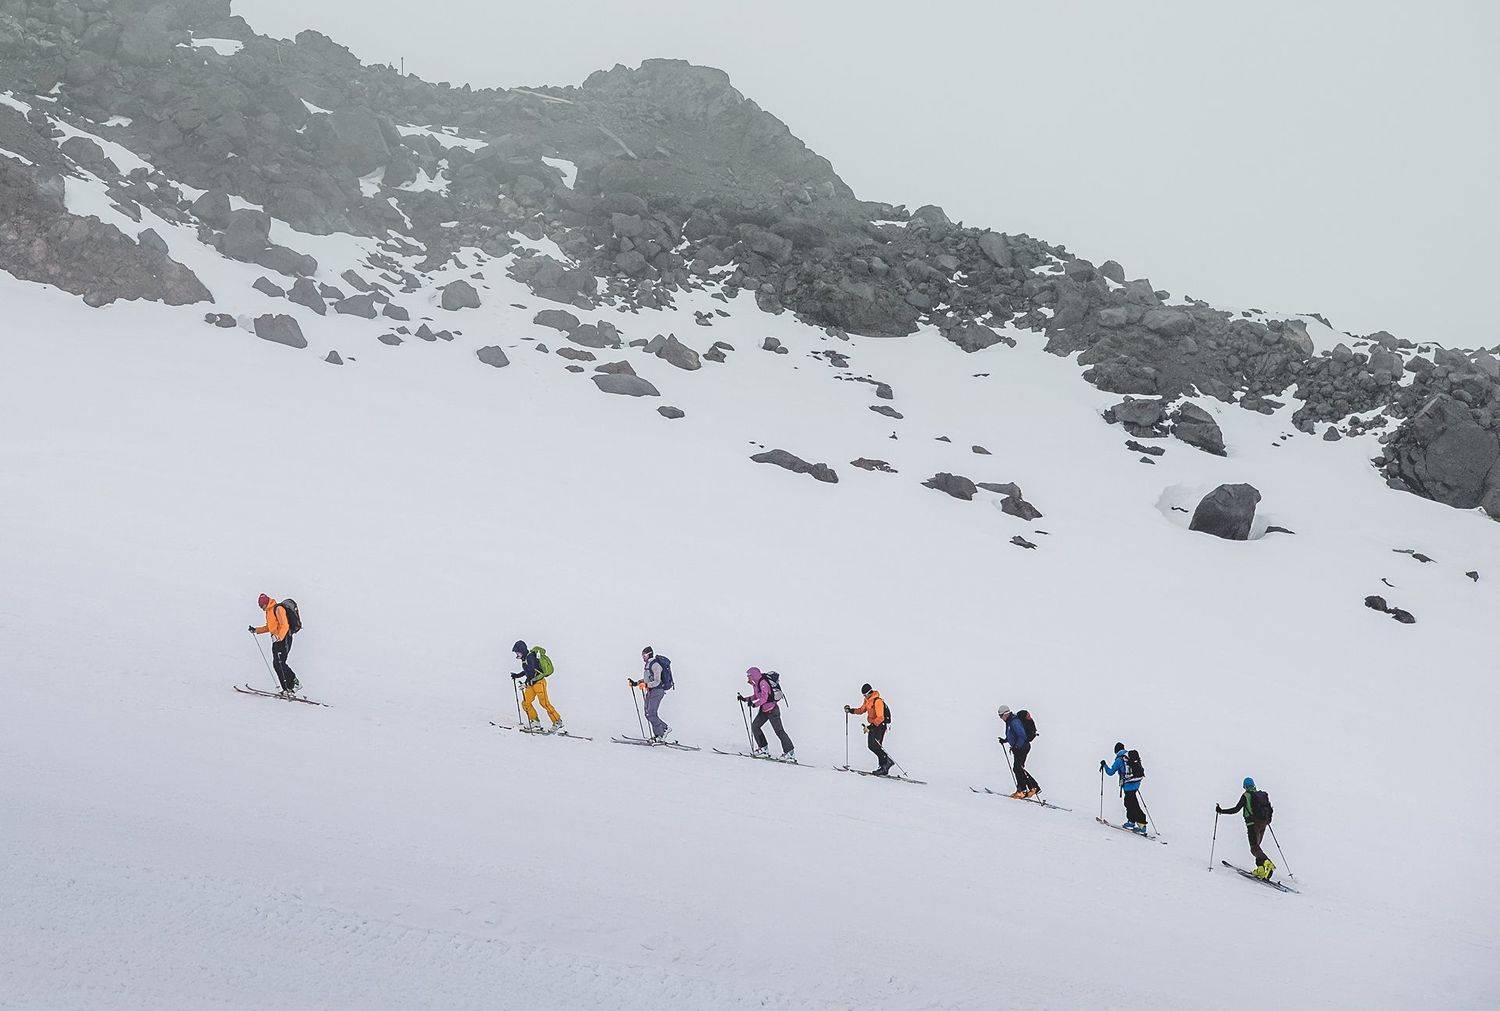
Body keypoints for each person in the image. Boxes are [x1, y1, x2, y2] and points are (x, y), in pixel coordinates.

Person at [1217, 777, 1276, 879]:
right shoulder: (1261, 795)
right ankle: (1261, 870)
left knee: (1254, 848)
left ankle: (1267, 862)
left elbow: (1236, 809)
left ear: (1244, 786)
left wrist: (1221, 811)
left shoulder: (1246, 796)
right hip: (1263, 824)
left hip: (1252, 824)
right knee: (1257, 847)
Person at [737, 667, 795, 761]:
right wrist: (745, 699)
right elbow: (757, 696)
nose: (748, 678)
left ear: (754, 675)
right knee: (755, 726)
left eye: (749, 676)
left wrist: (754, 704)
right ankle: (763, 749)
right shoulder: (756, 684)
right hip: (764, 709)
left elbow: (764, 698)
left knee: (779, 731)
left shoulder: (763, 683)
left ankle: (790, 753)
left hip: (772, 710)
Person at [248, 593, 299, 696]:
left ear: (266, 603)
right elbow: (269, 627)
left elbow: (285, 625)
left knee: (280, 662)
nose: (261, 608)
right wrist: (256, 630)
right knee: (277, 664)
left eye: (261, 605)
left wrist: (279, 637)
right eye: (260, 606)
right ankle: (286, 690)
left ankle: (294, 684)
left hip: (284, 638)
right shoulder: (268, 612)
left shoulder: (278, 609)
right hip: (276, 640)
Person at [510, 640, 563, 732]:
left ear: (522, 651)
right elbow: (528, 672)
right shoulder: (525, 659)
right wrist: (517, 675)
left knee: (544, 703)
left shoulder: (530, 657)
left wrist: (525, 684)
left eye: (517, 652)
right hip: (531, 684)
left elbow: (532, 673)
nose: (516, 654)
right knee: (526, 703)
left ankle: (557, 721)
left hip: (539, 683)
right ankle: (535, 722)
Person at [844, 683, 892, 776]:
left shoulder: (878, 701)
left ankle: (884, 766)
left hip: (880, 725)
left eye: (866, 694)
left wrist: (870, 727)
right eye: (863, 695)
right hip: (873, 724)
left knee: (876, 746)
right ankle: (886, 763)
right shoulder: (867, 700)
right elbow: (862, 710)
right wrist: (851, 710)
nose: (865, 696)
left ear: (870, 692)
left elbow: (881, 717)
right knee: (871, 746)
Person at [628, 646, 672, 741]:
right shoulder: (648, 664)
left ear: (649, 654)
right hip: (651, 691)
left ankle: (659, 735)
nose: (643, 657)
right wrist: (636, 683)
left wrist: (646, 684)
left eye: (644, 655)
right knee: (648, 714)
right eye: (642, 655)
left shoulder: (655, 665)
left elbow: (657, 681)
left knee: (651, 713)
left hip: (657, 691)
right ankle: (665, 728)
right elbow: (648, 679)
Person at [1100, 742, 1147, 833]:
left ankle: (1142, 826)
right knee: (1129, 803)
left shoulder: (1119, 760)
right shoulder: (1130, 756)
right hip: (1136, 782)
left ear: (1116, 750)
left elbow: (1110, 772)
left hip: (1128, 785)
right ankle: (1131, 822)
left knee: (1133, 805)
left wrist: (1104, 765)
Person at [998, 705, 1039, 799]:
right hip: (1020, 747)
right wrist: (1005, 740)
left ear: (1006, 713)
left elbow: (1022, 735)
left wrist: (1017, 746)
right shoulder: (1010, 721)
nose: (1001, 718)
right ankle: (1029, 788)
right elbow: (1013, 735)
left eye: (1001, 716)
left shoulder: (1014, 721)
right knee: (1018, 768)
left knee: (1017, 768)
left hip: (1022, 747)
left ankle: (1025, 790)